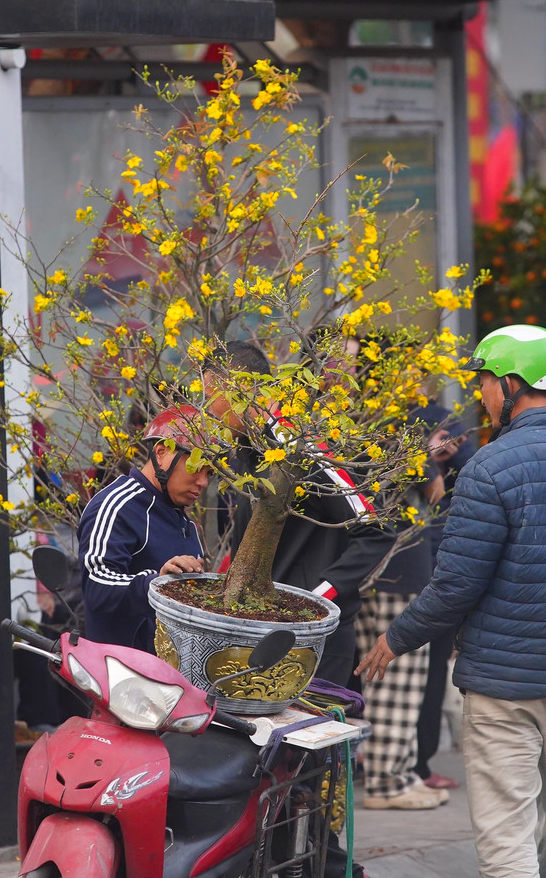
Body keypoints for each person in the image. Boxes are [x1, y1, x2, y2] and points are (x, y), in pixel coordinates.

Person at [355, 324, 546, 878]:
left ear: (512, 382)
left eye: (484, 380)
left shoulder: (490, 465)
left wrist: (395, 638)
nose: (481, 394)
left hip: (503, 688)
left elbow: (457, 582)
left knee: (507, 841)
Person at [202, 340, 397, 685]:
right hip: (260, 631)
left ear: (243, 388)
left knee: (308, 737)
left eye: (210, 395)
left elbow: (375, 528)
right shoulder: (244, 454)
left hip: (314, 641)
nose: (206, 410)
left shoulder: (301, 447)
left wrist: (317, 599)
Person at [354, 417, 451, 810]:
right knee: (397, 682)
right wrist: (428, 453)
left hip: (370, 566)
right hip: (400, 567)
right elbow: (435, 492)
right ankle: (387, 781)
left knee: (381, 678)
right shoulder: (400, 415)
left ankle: (400, 773)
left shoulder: (358, 414)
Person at [78, 405, 212, 654]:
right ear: (161, 453)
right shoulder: (117, 504)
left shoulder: (186, 522)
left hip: (174, 682)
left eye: (209, 473)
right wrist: (157, 582)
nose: (203, 482)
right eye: (195, 467)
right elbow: (96, 587)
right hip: (125, 680)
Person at [407, 404, 475, 792]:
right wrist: (425, 455)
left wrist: (457, 452)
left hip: (439, 577)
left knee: (433, 676)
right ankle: (406, 763)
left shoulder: (465, 463)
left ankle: (421, 763)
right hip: (406, 573)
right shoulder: (400, 445)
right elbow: (431, 496)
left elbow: (457, 494)